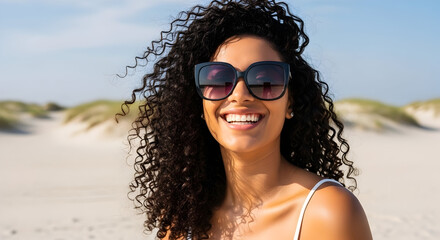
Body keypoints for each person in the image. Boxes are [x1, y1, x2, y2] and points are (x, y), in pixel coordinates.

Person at [118, 0, 372, 239]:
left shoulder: (328, 212)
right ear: (199, 103)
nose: (240, 95)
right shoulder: (182, 218)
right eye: (218, 80)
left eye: (265, 80)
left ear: (290, 102)